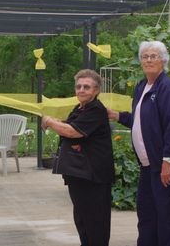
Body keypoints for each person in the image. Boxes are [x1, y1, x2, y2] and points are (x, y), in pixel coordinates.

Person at [108, 41, 170, 246]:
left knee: (168, 220)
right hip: (148, 166)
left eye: (154, 56)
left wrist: (167, 161)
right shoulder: (142, 86)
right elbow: (140, 120)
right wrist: (117, 115)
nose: (149, 60)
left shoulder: (167, 89)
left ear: (164, 60)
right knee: (147, 217)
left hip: (164, 166)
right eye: (145, 56)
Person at [41, 69, 114, 246]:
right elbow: (70, 125)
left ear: (96, 90)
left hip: (93, 177)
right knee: (82, 221)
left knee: (95, 223)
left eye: (86, 87)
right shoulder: (80, 108)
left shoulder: (95, 109)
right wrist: (59, 122)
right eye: (79, 86)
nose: (81, 90)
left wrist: (50, 122)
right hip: (80, 175)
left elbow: (73, 132)